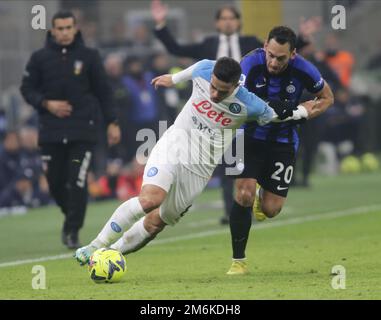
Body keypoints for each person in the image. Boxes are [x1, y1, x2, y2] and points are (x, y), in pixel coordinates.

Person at [74, 57, 311, 265]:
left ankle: (109, 254)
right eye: (213, 87)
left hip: (199, 169)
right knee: (150, 200)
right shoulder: (204, 69)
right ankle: (95, 246)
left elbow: (279, 115)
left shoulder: (251, 105)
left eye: (222, 91)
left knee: (157, 222)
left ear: (236, 85)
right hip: (174, 145)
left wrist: (304, 110)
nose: (214, 94)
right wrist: (172, 79)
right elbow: (188, 72)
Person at [151, 0, 320, 225]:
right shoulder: (208, 46)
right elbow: (177, 49)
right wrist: (161, 24)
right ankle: (227, 209)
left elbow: (280, 50)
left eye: (232, 18)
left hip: (244, 114)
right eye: (224, 18)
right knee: (222, 166)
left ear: (239, 22)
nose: (228, 22)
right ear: (217, 23)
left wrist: (304, 38)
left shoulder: (250, 44)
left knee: (236, 164)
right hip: (213, 116)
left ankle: (246, 200)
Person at [227, 26, 334, 275]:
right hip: (248, 137)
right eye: (271, 55)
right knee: (243, 194)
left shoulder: (305, 70)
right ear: (265, 46)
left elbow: (327, 98)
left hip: (283, 141)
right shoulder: (250, 64)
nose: (274, 62)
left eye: (281, 58)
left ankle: (263, 197)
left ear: (293, 54)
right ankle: (238, 261)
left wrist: (303, 112)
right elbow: (232, 99)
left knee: (271, 210)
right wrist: (270, 107)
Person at [20, 11, 121, 249]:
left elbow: (104, 91)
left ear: (75, 29)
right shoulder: (39, 58)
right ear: (53, 30)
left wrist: (112, 122)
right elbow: (27, 89)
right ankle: (71, 216)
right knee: (55, 182)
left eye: (68, 28)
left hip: (82, 131)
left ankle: (72, 230)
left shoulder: (89, 56)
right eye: (60, 28)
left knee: (77, 180)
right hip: (51, 131)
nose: (64, 33)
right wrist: (46, 104)